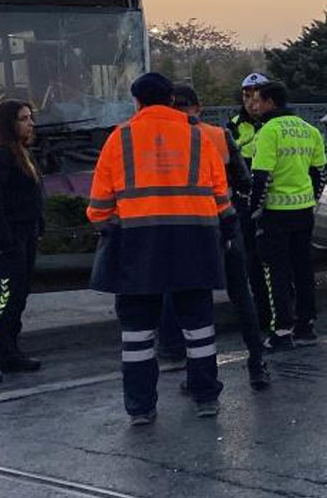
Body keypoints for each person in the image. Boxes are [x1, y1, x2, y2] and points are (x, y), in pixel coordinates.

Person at [87, 72, 230, 425]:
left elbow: (99, 207)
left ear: (136, 102)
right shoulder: (199, 138)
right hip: (194, 242)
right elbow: (222, 200)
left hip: (138, 245)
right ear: (170, 100)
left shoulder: (119, 139)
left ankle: (141, 408)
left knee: (137, 333)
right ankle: (206, 396)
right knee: (198, 328)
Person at [159, 85, 270, 390]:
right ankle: (257, 364)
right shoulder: (219, 135)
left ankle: (197, 375)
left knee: (194, 302)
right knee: (240, 294)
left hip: (188, 230)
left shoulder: (167, 141)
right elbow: (244, 181)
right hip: (226, 222)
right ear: (199, 107)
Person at [246, 81, 327, 350]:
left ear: (271, 102)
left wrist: (253, 211)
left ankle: (281, 330)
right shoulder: (309, 130)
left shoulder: (268, 131)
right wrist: (311, 200)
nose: (254, 106)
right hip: (304, 212)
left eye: (258, 100)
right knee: (303, 269)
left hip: (275, 215)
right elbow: (319, 174)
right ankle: (306, 325)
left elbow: (261, 177)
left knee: (276, 273)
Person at [0, 99, 45, 385]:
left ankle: (10, 351)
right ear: (9, 123)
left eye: (30, 117)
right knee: (8, 296)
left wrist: (38, 226)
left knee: (20, 295)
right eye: (23, 118)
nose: (30, 123)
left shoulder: (22, 153)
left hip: (26, 234)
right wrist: (5, 239)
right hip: (6, 238)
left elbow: (32, 195)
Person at [226, 72, 274, 331]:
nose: (252, 102)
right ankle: (262, 311)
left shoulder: (277, 123)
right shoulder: (233, 124)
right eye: (247, 96)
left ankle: (282, 305)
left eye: (257, 96)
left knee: (276, 258)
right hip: (245, 199)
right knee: (252, 258)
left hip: (275, 198)